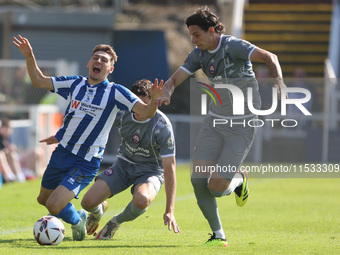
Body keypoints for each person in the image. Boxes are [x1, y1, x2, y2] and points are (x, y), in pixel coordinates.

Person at [155, 6, 287, 247]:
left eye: (196, 34)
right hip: (215, 121)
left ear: (212, 30)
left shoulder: (233, 46)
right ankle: (218, 235)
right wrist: (167, 93)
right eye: (191, 35)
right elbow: (174, 80)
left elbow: (271, 58)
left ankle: (238, 180)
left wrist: (280, 85)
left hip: (242, 126)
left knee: (216, 187)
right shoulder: (198, 54)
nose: (193, 40)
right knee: (197, 180)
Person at [13, 35, 163, 241]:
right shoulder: (75, 84)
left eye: (104, 60)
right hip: (62, 153)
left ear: (110, 69)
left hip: (85, 161)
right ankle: (85, 213)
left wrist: (154, 100)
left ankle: (78, 221)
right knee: (43, 199)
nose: (98, 61)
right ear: (88, 63)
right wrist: (29, 56)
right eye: (95, 58)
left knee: (54, 205)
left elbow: (145, 113)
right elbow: (39, 81)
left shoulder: (115, 92)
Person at [79, 79, 180, 239]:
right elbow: (94, 125)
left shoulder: (162, 126)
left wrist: (170, 210)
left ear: (155, 102)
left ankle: (115, 222)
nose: (142, 110)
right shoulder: (122, 114)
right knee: (87, 203)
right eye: (138, 105)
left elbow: (170, 169)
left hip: (151, 171)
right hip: (123, 165)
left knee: (142, 200)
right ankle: (98, 211)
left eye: (147, 104)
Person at [0, 118, 26, 183]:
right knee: (2, 155)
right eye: (6, 128)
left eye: (9, 128)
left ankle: (18, 175)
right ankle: (8, 176)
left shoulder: (8, 138)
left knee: (12, 154)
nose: (8, 130)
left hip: (7, 159)